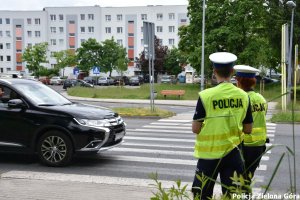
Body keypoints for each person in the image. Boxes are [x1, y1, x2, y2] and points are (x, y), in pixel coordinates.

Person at [192, 52, 253, 199]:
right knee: (235, 194)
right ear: (232, 72)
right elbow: (248, 129)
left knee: (202, 194)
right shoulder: (244, 96)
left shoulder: (206, 95)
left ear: (214, 71)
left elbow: (196, 128)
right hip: (233, 153)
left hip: (208, 156)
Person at [234, 65, 267, 190]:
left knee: (238, 181)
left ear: (239, 81)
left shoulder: (241, 99)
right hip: (258, 146)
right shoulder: (262, 99)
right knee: (247, 179)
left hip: (244, 145)